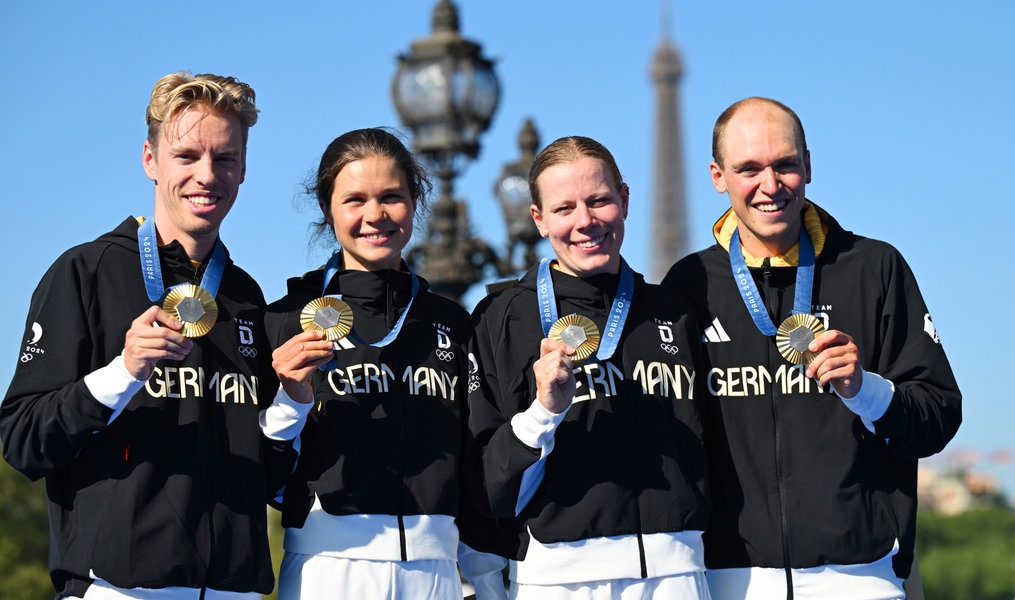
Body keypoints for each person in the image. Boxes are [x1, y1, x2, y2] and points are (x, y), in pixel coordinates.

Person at [661, 97, 963, 599]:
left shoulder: (874, 268)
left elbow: (939, 415)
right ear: (718, 176)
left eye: (785, 165)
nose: (770, 185)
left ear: (809, 165)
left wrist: (865, 389)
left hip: (859, 576)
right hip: (729, 580)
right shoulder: (688, 284)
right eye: (748, 169)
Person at [0, 72, 277, 598]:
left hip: (233, 589)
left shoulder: (246, 296)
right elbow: (22, 441)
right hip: (119, 588)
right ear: (150, 159)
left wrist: (299, 400)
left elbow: (270, 462)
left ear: (243, 169)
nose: (207, 175)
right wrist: (121, 373)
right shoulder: (84, 273)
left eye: (225, 158)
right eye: (187, 156)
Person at [258, 128, 506, 600]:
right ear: (327, 209)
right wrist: (290, 401)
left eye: (391, 196)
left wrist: (489, 581)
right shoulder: (287, 319)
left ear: (416, 200)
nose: (375, 215)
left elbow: (473, 465)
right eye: (355, 199)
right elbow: (260, 475)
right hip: (329, 570)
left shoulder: (451, 322)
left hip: (437, 573)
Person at [467, 136, 712, 599]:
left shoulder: (674, 311)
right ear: (538, 219)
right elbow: (483, 482)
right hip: (559, 577)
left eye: (599, 200)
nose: (586, 221)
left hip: (676, 572)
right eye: (564, 209)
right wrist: (543, 412)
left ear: (624, 199)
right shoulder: (501, 318)